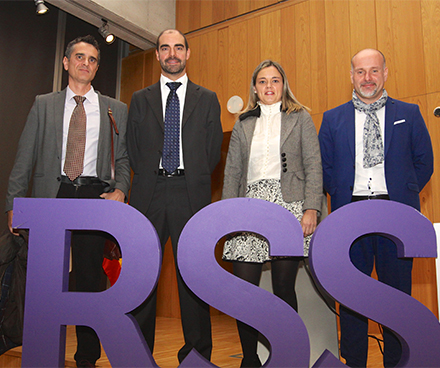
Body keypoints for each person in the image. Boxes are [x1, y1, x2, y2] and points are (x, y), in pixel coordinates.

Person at [5, 35, 130, 367]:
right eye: (79, 57)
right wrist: (13, 203)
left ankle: (86, 356)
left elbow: (126, 158)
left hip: (94, 195)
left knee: (90, 279)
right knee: (44, 277)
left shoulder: (115, 109)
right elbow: (24, 158)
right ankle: (40, 349)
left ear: (97, 67)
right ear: (66, 62)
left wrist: (122, 189)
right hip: (52, 194)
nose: (85, 63)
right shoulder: (43, 104)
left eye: (92, 59)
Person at [319, 48, 433, 368]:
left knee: (396, 293)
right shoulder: (333, 118)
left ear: (385, 73)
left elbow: (424, 162)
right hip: (349, 213)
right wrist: (340, 193)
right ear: (351, 76)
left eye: (373, 71)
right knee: (352, 293)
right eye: (360, 72)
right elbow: (324, 167)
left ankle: (397, 361)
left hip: (395, 214)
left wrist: (403, 192)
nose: (367, 78)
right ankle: (354, 361)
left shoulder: (409, 113)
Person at [126, 29, 223, 363]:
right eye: (164, 48)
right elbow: (133, 148)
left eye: (178, 47)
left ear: (188, 53)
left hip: (190, 194)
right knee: (144, 276)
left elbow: (212, 154)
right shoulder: (139, 99)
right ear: (156, 55)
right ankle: (138, 352)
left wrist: (189, 178)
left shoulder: (207, 98)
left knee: (193, 277)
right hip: (148, 194)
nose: (172, 53)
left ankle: (197, 354)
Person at [222, 60, 323, 368]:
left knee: (283, 289)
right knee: (245, 292)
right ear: (255, 87)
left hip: (289, 206)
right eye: (263, 81)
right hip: (249, 206)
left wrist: (311, 208)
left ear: (283, 85)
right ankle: (250, 358)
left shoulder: (300, 118)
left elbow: (313, 165)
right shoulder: (242, 123)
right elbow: (233, 171)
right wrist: (228, 213)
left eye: (275, 80)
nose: (269, 86)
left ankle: (286, 354)